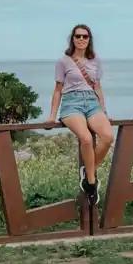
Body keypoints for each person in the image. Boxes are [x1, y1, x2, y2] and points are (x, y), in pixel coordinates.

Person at [48, 23, 114, 205]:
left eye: (85, 36)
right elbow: (57, 89)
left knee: (108, 137)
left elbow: (98, 87)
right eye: (78, 36)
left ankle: (87, 172)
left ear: (89, 39)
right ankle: (91, 184)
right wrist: (51, 116)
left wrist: (104, 111)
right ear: (73, 39)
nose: (81, 39)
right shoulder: (63, 61)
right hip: (72, 103)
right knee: (85, 138)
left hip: (92, 103)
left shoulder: (96, 61)